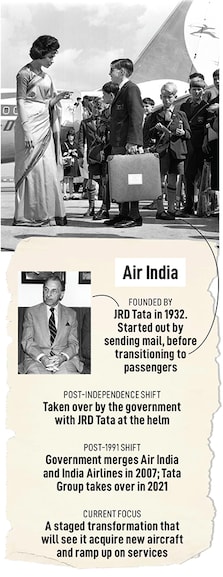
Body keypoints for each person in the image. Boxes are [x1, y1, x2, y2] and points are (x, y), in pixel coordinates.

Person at [13, 35, 70, 227]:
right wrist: (26, 129)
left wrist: (58, 98)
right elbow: (21, 102)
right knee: (32, 169)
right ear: (41, 53)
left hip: (44, 124)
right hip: (29, 125)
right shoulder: (24, 74)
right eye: (51, 56)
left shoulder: (47, 77)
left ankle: (48, 212)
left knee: (47, 168)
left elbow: (46, 103)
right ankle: (29, 214)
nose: (52, 60)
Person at [104, 58, 144, 228]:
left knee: (131, 179)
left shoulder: (131, 89)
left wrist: (133, 141)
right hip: (118, 143)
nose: (110, 73)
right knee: (121, 179)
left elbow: (136, 115)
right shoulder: (122, 90)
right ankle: (123, 213)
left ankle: (134, 216)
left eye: (112, 70)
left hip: (127, 144)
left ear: (122, 72)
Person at [144, 82, 191, 220]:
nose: (166, 99)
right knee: (160, 181)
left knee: (173, 180)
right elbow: (146, 134)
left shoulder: (181, 114)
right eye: (164, 96)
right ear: (160, 96)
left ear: (175, 97)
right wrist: (155, 130)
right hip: (161, 152)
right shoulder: (154, 115)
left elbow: (189, 134)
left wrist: (183, 132)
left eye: (169, 97)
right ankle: (160, 209)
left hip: (176, 152)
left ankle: (171, 208)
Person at [21, 274, 84, 374]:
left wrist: (62, 357)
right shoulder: (31, 312)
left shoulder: (71, 314)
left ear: (61, 294)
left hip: (64, 361)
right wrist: (43, 358)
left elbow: (74, 343)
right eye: (46, 290)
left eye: (54, 291)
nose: (48, 294)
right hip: (37, 360)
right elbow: (27, 342)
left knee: (69, 380)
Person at [179, 76, 208, 216]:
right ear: (189, 90)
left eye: (199, 89)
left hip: (201, 144)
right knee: (188, 176)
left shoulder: (207, 106)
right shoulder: (184, 106)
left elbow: (207, 127)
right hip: (186, 144)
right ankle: (189, 206)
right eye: (194, 89)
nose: (197, 92)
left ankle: (202, 207)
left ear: (203, 90)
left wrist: (205, 142)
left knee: (203, 178)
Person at [92, 81, 119, 220]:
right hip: (107, 149)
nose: (103, 98)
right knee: (105, 180)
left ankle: (123, 210)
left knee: (121, 179)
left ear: (111, 95)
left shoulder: (119, 110)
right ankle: (105, 207)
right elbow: (99, 131)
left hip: (118, 148)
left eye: (104, 95)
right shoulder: (106, 112)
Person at [61, 128, 81, 200]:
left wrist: (75, 153)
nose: (70, 137)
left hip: (73, 162)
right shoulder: (64, 144)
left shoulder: (76, 144)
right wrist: (68, 152)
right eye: (69, 135)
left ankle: (71, 193)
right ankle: (65, 194)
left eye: (72, 135)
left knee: (71, 178)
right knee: (65, 178)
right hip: (67, 162)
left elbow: (78, 153)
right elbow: (62, 153)